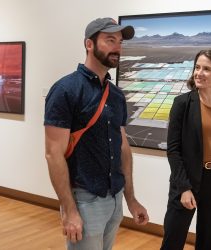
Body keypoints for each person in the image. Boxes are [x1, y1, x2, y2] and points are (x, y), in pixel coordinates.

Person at [44, 17, 149, 250]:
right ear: (89, 44)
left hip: (115, 198)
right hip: (85, 199)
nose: (117, 48)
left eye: (120, 42)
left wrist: (130, 199)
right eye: (110, 40)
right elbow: (53, 154)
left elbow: (123, 148)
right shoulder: (65, 90)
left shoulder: (116, 95)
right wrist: (70, 210)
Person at [160, 49, 211, 250]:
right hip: (186, 181)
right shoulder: (182, 104)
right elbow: (173, 150)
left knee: (210, 243)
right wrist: (184, 188)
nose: (199, 73)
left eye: (206, 69)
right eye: (197, 67)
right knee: (173, 240)